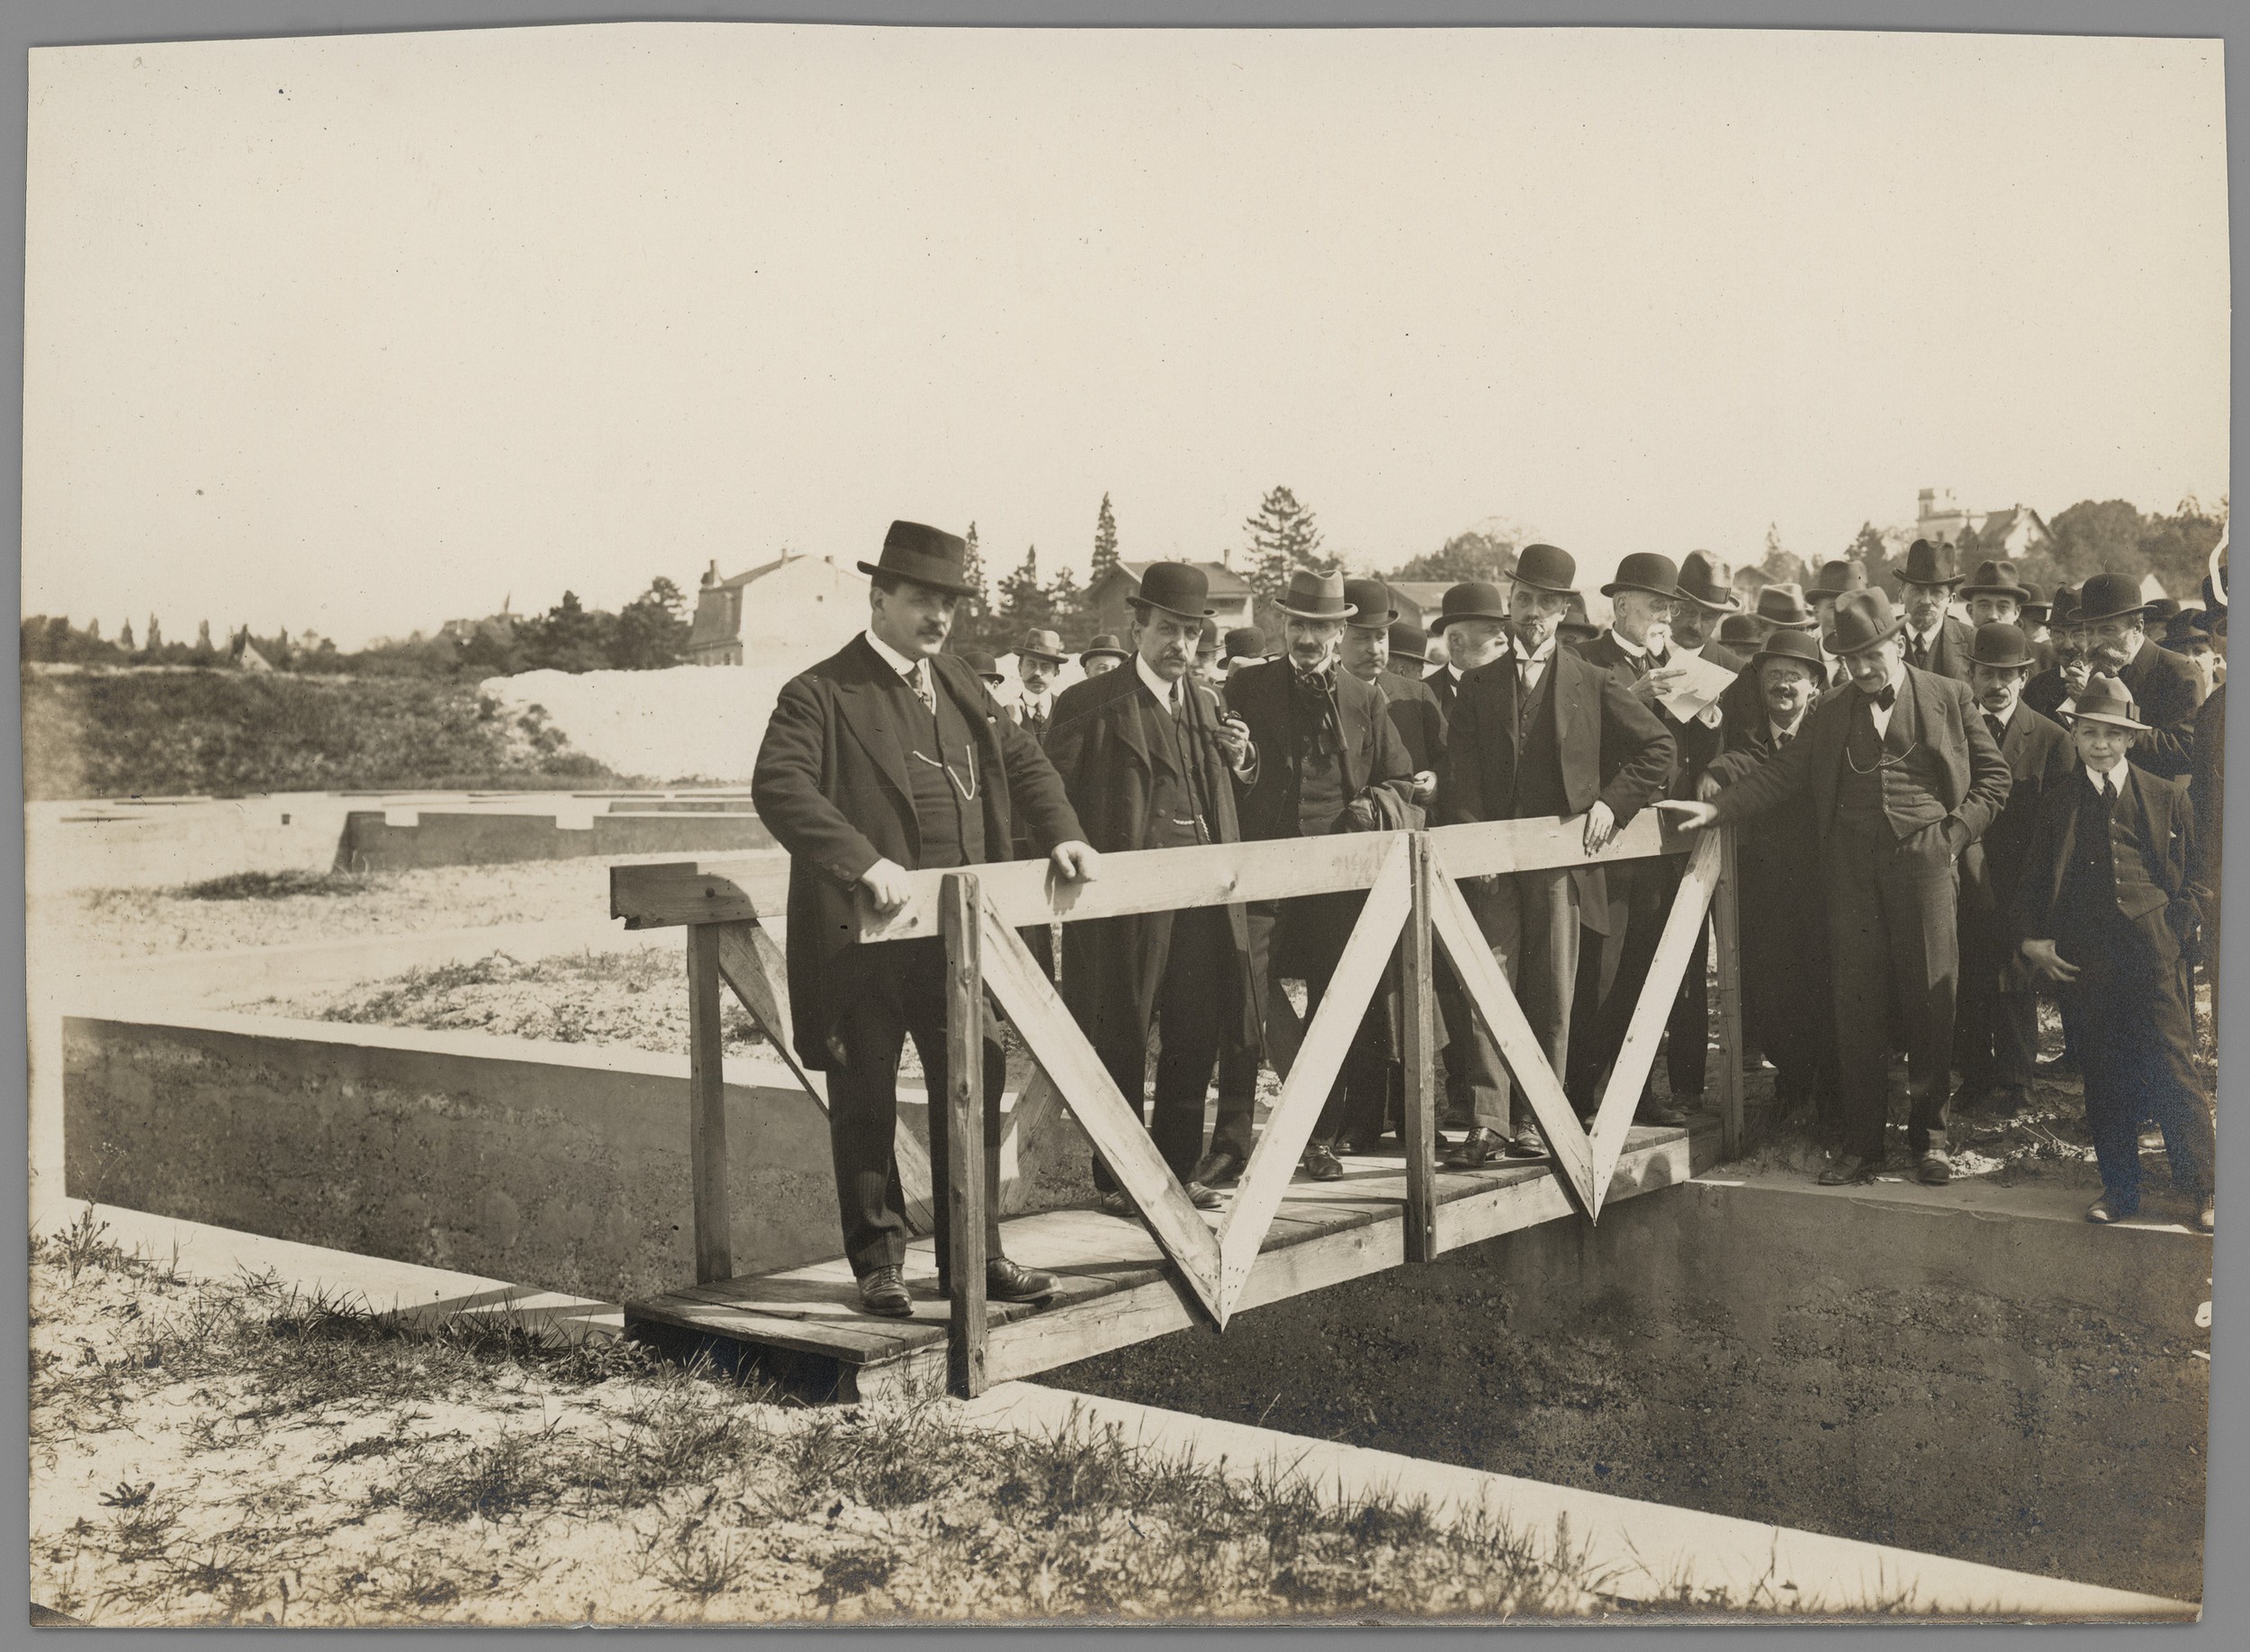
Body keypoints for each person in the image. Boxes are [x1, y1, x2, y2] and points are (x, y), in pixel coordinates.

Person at [751, 520, 1100, 1318]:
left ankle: (974, 1256)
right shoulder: (819, 693)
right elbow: (780, 787)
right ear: (879, 599)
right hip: (863, 940)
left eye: (948, 604)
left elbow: (1026, 764)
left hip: (957, 943)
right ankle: (878, 1266)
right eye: (920, 600)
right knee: (867, 1094)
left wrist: (1067, 834)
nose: (937, 618)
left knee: (973, 1084)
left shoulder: (966, 689)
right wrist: (862, 862)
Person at [1659, 588, 2011, 1188]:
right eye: (1851, 660)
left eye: (1873, 655)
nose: (1864, 669)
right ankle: (1863, 1144)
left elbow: (1994, 779)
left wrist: (1951, 836)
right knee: (1857, 1007)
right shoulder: (1830, 711)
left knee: (1930, 1003)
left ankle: (1932, 1141)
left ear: (1897, 644)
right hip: (1849, 873)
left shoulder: (1949, 697)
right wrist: (1716, 812)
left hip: (1924, 866)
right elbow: (1781, 776)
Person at [1436, 543, 1675, 1165]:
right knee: (1488, 980)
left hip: (1560, 862)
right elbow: (1458, 772)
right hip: (1491, 862)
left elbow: (1659, 749)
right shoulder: (1479, 683)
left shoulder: (1592, 682)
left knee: (1552, 990)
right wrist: (1472, 841)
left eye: (1546, 603)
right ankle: (1488, 1122)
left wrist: (1610, 805)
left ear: (1563, 610)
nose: (1533, 613)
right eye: (1524, 600)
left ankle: (1538, 1116)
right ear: (1510, 602)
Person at [1043, 563, 1260, 1217]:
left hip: (1200, 905)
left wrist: (1243, 758)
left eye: (1192, 633)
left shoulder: (1209, 702)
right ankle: (1118, 1178)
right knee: (1123, 1035)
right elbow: (1051, 795)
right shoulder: (1090, 703)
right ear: (1138, 626)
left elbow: (1230, 793)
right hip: (1126, 908)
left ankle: (1173, 1173)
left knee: (1193, 1037)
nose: (1181, 645)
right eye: (1168, 629)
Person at [1225, 569, 1415, 1181]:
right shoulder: (1246, 686)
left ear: (1340, 632)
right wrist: (1245, 759)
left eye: (1322, 627)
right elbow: (1227, 770)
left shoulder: (1364, 698)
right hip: (1264, 874)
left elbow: (1402, 781)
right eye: (1300, 624)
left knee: (1336, 1003)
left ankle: (1318, 1137)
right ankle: (1230, 1144)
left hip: (1336, 879)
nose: (1309, 637)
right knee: (1244, 991)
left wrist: (1372, 806)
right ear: (1283, 624)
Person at [2011, 675, 2214, 1234]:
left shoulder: (2164, 794)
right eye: (2089, 732)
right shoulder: (2057, 800)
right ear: (2074, 736)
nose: (2100, 744)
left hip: (2153, 949)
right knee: (2103, 1071)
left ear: (2130, 739)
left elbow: (2198, 875)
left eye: (2112, 735)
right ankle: (2121, 1189)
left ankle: (2203, 1188)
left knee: (2174, 1066)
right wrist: (2030, 939)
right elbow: (2032, 878)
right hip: (2088, 954)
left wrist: (2180, 925)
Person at [1570, 551, 1745, 1126]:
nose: (1664, 618)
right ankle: (1577, 1097)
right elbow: (1576, 751)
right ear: (1620, 606)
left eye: (1670, 607)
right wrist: (1635, 697)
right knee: (1600, 972)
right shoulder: (1584, 661)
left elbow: (1697, 759)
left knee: (1649, 971)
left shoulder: (1676, 662)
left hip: (1664, 843)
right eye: (1654, 606)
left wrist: (1712, 719)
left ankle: (1636, 1094)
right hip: (1606, 842)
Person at [1704, 628, 1840, 1133]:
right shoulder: (1750, 737)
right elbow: (1744, 759)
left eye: (1795, 677)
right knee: (1768, 989)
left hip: (1826, 886)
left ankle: (1831, 1091)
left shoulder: (1830, 733)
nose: (1784, 687)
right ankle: (1794, 1079)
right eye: (1774, 676)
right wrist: (1717, 772)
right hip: (1764, 888)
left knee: (1824, 986)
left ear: (1815, 686)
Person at [1952, 623, 2075, 1120]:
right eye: (1988, 673)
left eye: (2009, 674)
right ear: (1972, 675)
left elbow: (2059, 827)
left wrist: (2042, 895)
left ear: (2025, 677)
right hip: (1964, 879)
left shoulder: (2051, 738)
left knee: (2017, 980)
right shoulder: (1954, 733)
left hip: (2023, 881)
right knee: (1970, 979)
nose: (1998, 684)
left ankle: (2019, 1080)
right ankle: (1975, 1077)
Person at [2074, 572, 2206, 778]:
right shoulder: (2099, 668)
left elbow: (2187, 751)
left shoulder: (2179, 671)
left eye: (2108, 630)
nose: (2096, 641)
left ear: (2137, 627)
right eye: (2089, 631)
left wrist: (2118, 724)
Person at [1422, 581, 1511, 716]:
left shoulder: (1518, 690)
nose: (1504, 639)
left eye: (1502, 630)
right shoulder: (1421, 695)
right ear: (1456, 641)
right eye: (1491, 630)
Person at [1893, 538, 1975, 680]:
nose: (1925, 600)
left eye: (1936, 592)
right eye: (1917, 590)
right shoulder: (1881, 639)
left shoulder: (1973, 642)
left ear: (1951, 600)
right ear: (1901, 595)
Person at [1959, 560, 2057, 674]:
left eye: (2003, 607)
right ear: (1970, 611)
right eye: (1984, 606)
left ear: (2016, 612)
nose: (1993, 615)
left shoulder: (2046, 659)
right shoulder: (1953, 654)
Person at [2025, 585, 2088, 722]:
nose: (2067, 645)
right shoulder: (2038, 686)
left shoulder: (2112, 681)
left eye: (2077, 635)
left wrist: (2089, 699)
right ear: (2050, 635)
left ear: (2093, 635)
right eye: (2058, 635)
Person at [1806, 558, 1871, 689]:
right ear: (1816, 612)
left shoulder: (1874, 664)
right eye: (1833, 607)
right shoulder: (1805, 664)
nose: (1843, 617)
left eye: (1851, 607)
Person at [1007, 628, 1068, 741]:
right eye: (1031, 665)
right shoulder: (1006, 714)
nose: (1037, 673)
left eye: (1045, 667)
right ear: (1020, 669)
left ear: (1056, 672)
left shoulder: (1068, 711)